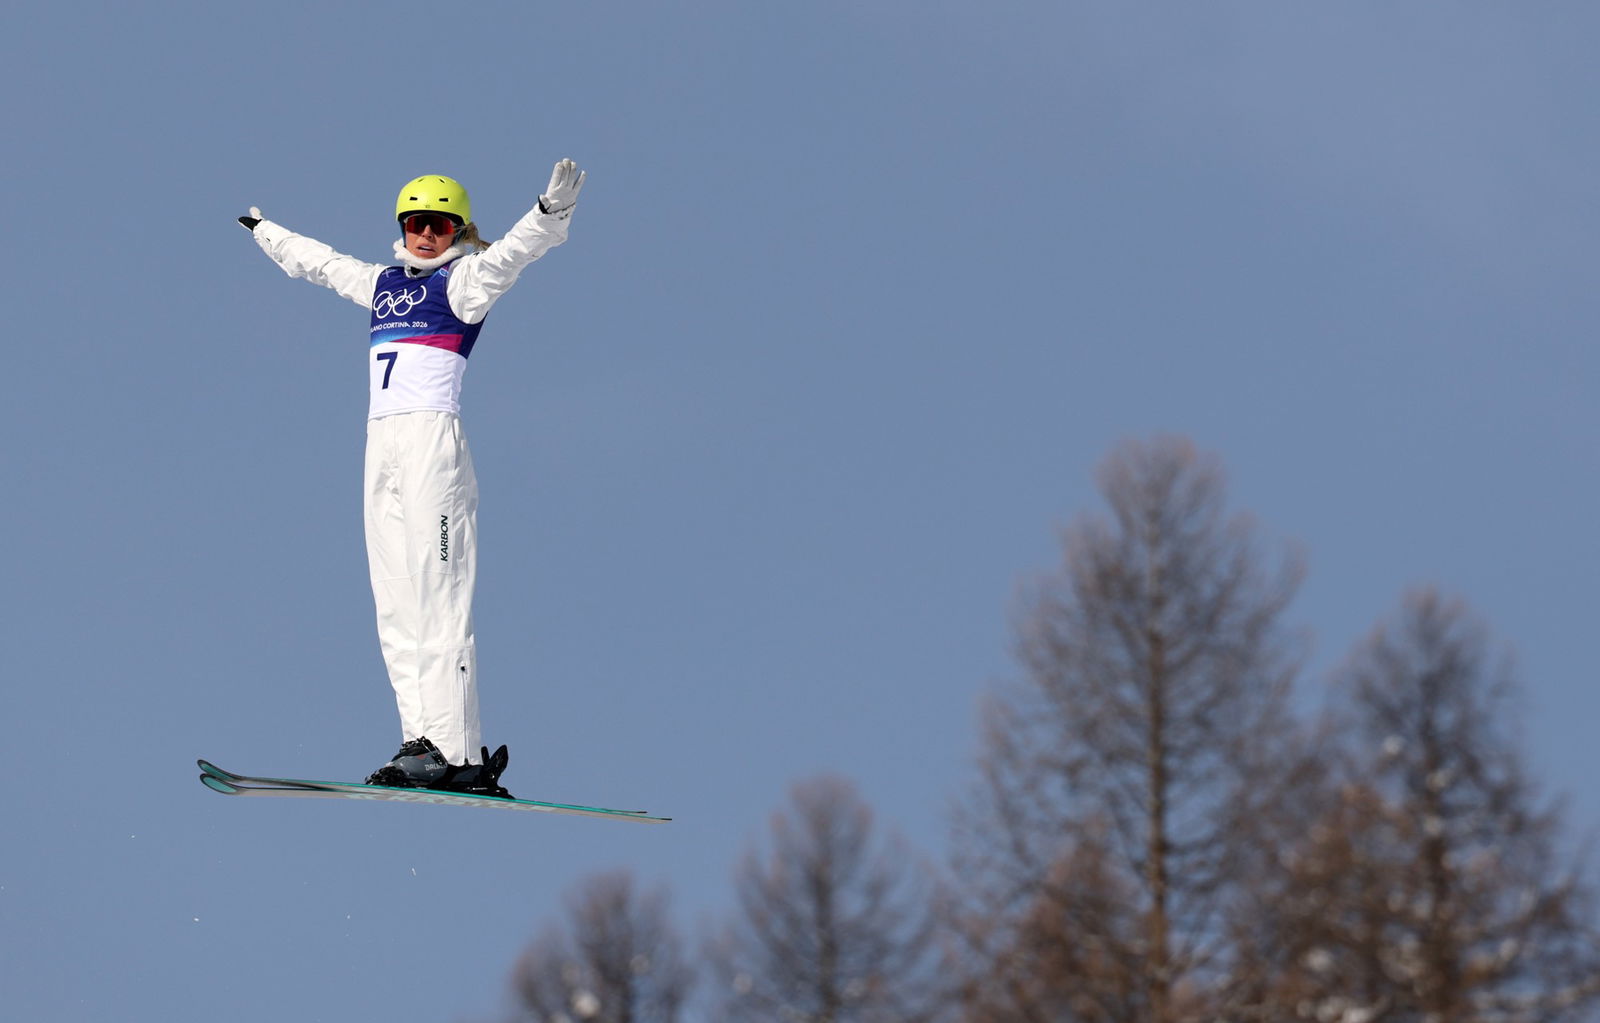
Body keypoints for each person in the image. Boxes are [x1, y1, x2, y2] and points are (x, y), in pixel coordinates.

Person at [237, 159, 586, 798]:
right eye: (417, 222)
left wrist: (549, 214)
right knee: (396, 597)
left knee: (439, 592)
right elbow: (320, 262)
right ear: (403, 225)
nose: (427, 234)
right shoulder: (382, 284)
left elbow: (513, 255)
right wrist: (265, 232)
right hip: (381, 446)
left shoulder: (465, 282)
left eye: (440, 224)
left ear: (457, 229)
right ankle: (420, 745)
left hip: (431, 443)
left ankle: (458, 751)